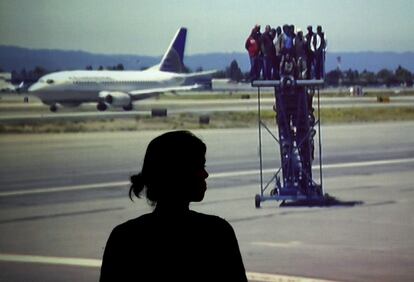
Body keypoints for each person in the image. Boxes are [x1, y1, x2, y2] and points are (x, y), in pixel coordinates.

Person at [100, 130, 248, 282]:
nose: (205, 174)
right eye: (199, 167)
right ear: (179, 173)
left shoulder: (124, 237)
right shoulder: (217, 232)